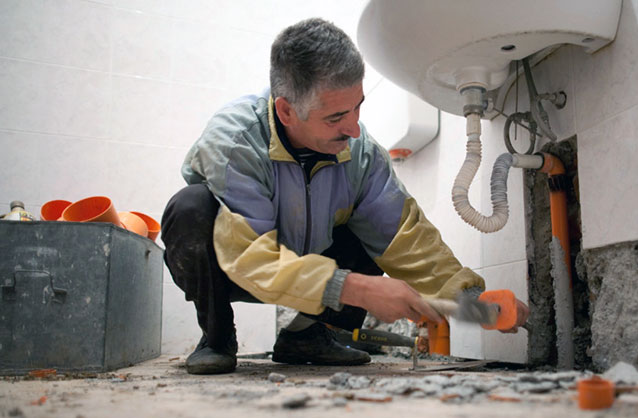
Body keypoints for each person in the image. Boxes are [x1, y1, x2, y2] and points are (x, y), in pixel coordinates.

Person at [161, 17, 530, 375]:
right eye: (336, 116)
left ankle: (308, 336)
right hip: (234, 269)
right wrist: (355, 287)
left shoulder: (360, 152)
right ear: (287, 111)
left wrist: (469, 300)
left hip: (309, 271)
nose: (354, 127)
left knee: (372, 235)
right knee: (189, 207)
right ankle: (217, 336)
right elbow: (250, 258)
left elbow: (404, 237)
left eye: (358, 107)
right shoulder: (235, 140)